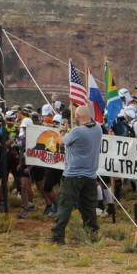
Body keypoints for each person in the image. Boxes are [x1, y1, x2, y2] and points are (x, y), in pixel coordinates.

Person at [50, 105, 103, 246]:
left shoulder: (77, 131)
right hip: (90, 176)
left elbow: (61, 142)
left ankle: (57, 236)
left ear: (77, 117)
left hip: (73, 175)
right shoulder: (98, 128)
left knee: (65, 206)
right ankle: (92, 235)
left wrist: (62, 131)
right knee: (88, 208)